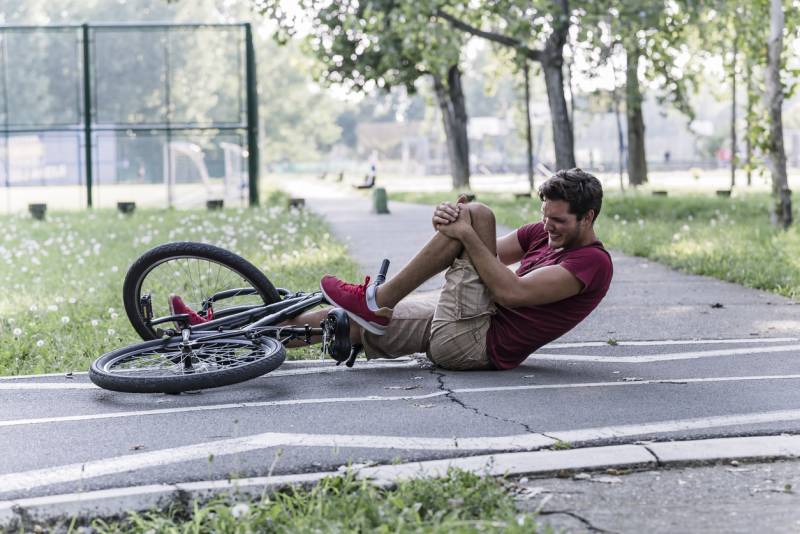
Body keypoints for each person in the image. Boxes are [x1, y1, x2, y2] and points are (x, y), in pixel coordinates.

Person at [172, 168, 613, 370]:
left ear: (588, 217)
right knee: (348, 324)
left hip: (476, 345)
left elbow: (509, 293)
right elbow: (476, 256)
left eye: (559, 220)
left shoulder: (590, 263)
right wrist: (451, 232)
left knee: (477, 215)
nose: (548, 226)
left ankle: (377, 300)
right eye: (545, 215)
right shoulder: (543, 232)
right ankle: (216, 333)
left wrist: (464, 233)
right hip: (466, 317)